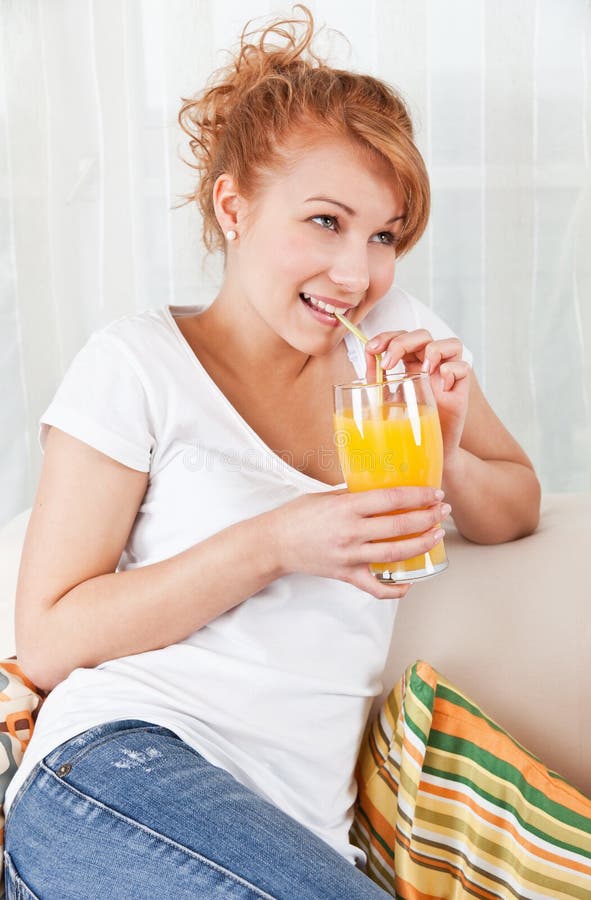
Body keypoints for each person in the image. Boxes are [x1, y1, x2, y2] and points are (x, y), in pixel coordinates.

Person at [3, 7, 540, 899]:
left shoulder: (397, 340)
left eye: (383, 235)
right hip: (115, 772)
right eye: (325, 221)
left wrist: (440, 452)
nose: (355, 273)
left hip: (293, 834)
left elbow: (516, 505)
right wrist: (278, 542)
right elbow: (51, 638)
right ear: (233, 205)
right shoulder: (135, 364)